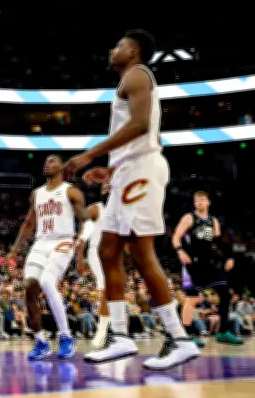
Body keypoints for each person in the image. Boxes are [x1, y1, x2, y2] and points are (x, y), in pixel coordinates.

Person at [64, 30, 200, 370]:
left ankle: (179, 338)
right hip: (128, 171)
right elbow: (134, 134)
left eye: (119, 45)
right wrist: (110, 171)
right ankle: (121, 336)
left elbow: (140, 125)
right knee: (106, 250)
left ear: (134, 51)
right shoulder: (128, 80)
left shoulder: (137, 75)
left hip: (141, 170)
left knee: (141, 253)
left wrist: (88, 156)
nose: (113, 49)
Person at [8, 155, 87, 360]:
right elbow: (28, 224)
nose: (47, 163)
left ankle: (66, 336)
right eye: (46, 161)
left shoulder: (71, 191)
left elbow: (85, 221)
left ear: (62, 167)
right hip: (40, 243)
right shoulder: (37, 194)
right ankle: (41, 341)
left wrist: (81, 246)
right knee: (29, 287)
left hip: (63, 241)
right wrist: (15, 250)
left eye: (52, 161)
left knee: (47, 281)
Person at [172, 191, 243, 346]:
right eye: (196, 200)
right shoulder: (189, 218)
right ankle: (186, 335)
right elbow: (176, 236)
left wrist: (229, 257)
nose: (199, 202)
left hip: (210, 263)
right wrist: (180, 251)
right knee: (192, 298)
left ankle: (223, 332)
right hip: (192, 263)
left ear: (208, 202)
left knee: (225, 294)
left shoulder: (213, 221)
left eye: (202, 200)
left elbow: (218, 242)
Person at [75, 182, 111, 348]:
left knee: (114, 292)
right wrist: (80, 259)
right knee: (104, 289)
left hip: (114, 254)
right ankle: (102, 331)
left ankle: (111, 330)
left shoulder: (121, 210)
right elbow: (84, 233)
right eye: (104, 186)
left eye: (110, 185)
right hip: (97, 251)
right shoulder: (96, 209)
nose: (107, 188)